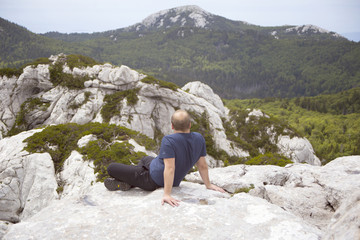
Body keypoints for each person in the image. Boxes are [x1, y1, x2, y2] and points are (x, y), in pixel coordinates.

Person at [104, 109, 225, 206]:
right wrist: (208, 185)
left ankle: (130, 183)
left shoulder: (169, 140)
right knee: (144, 159)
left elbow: (170, 168)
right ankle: (131, 182)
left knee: (111, 168)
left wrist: (167, 194)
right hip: (157, 168)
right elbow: (202, 165)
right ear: (190, 124)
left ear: (172, 126)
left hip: (152, 180)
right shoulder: (199, 138)